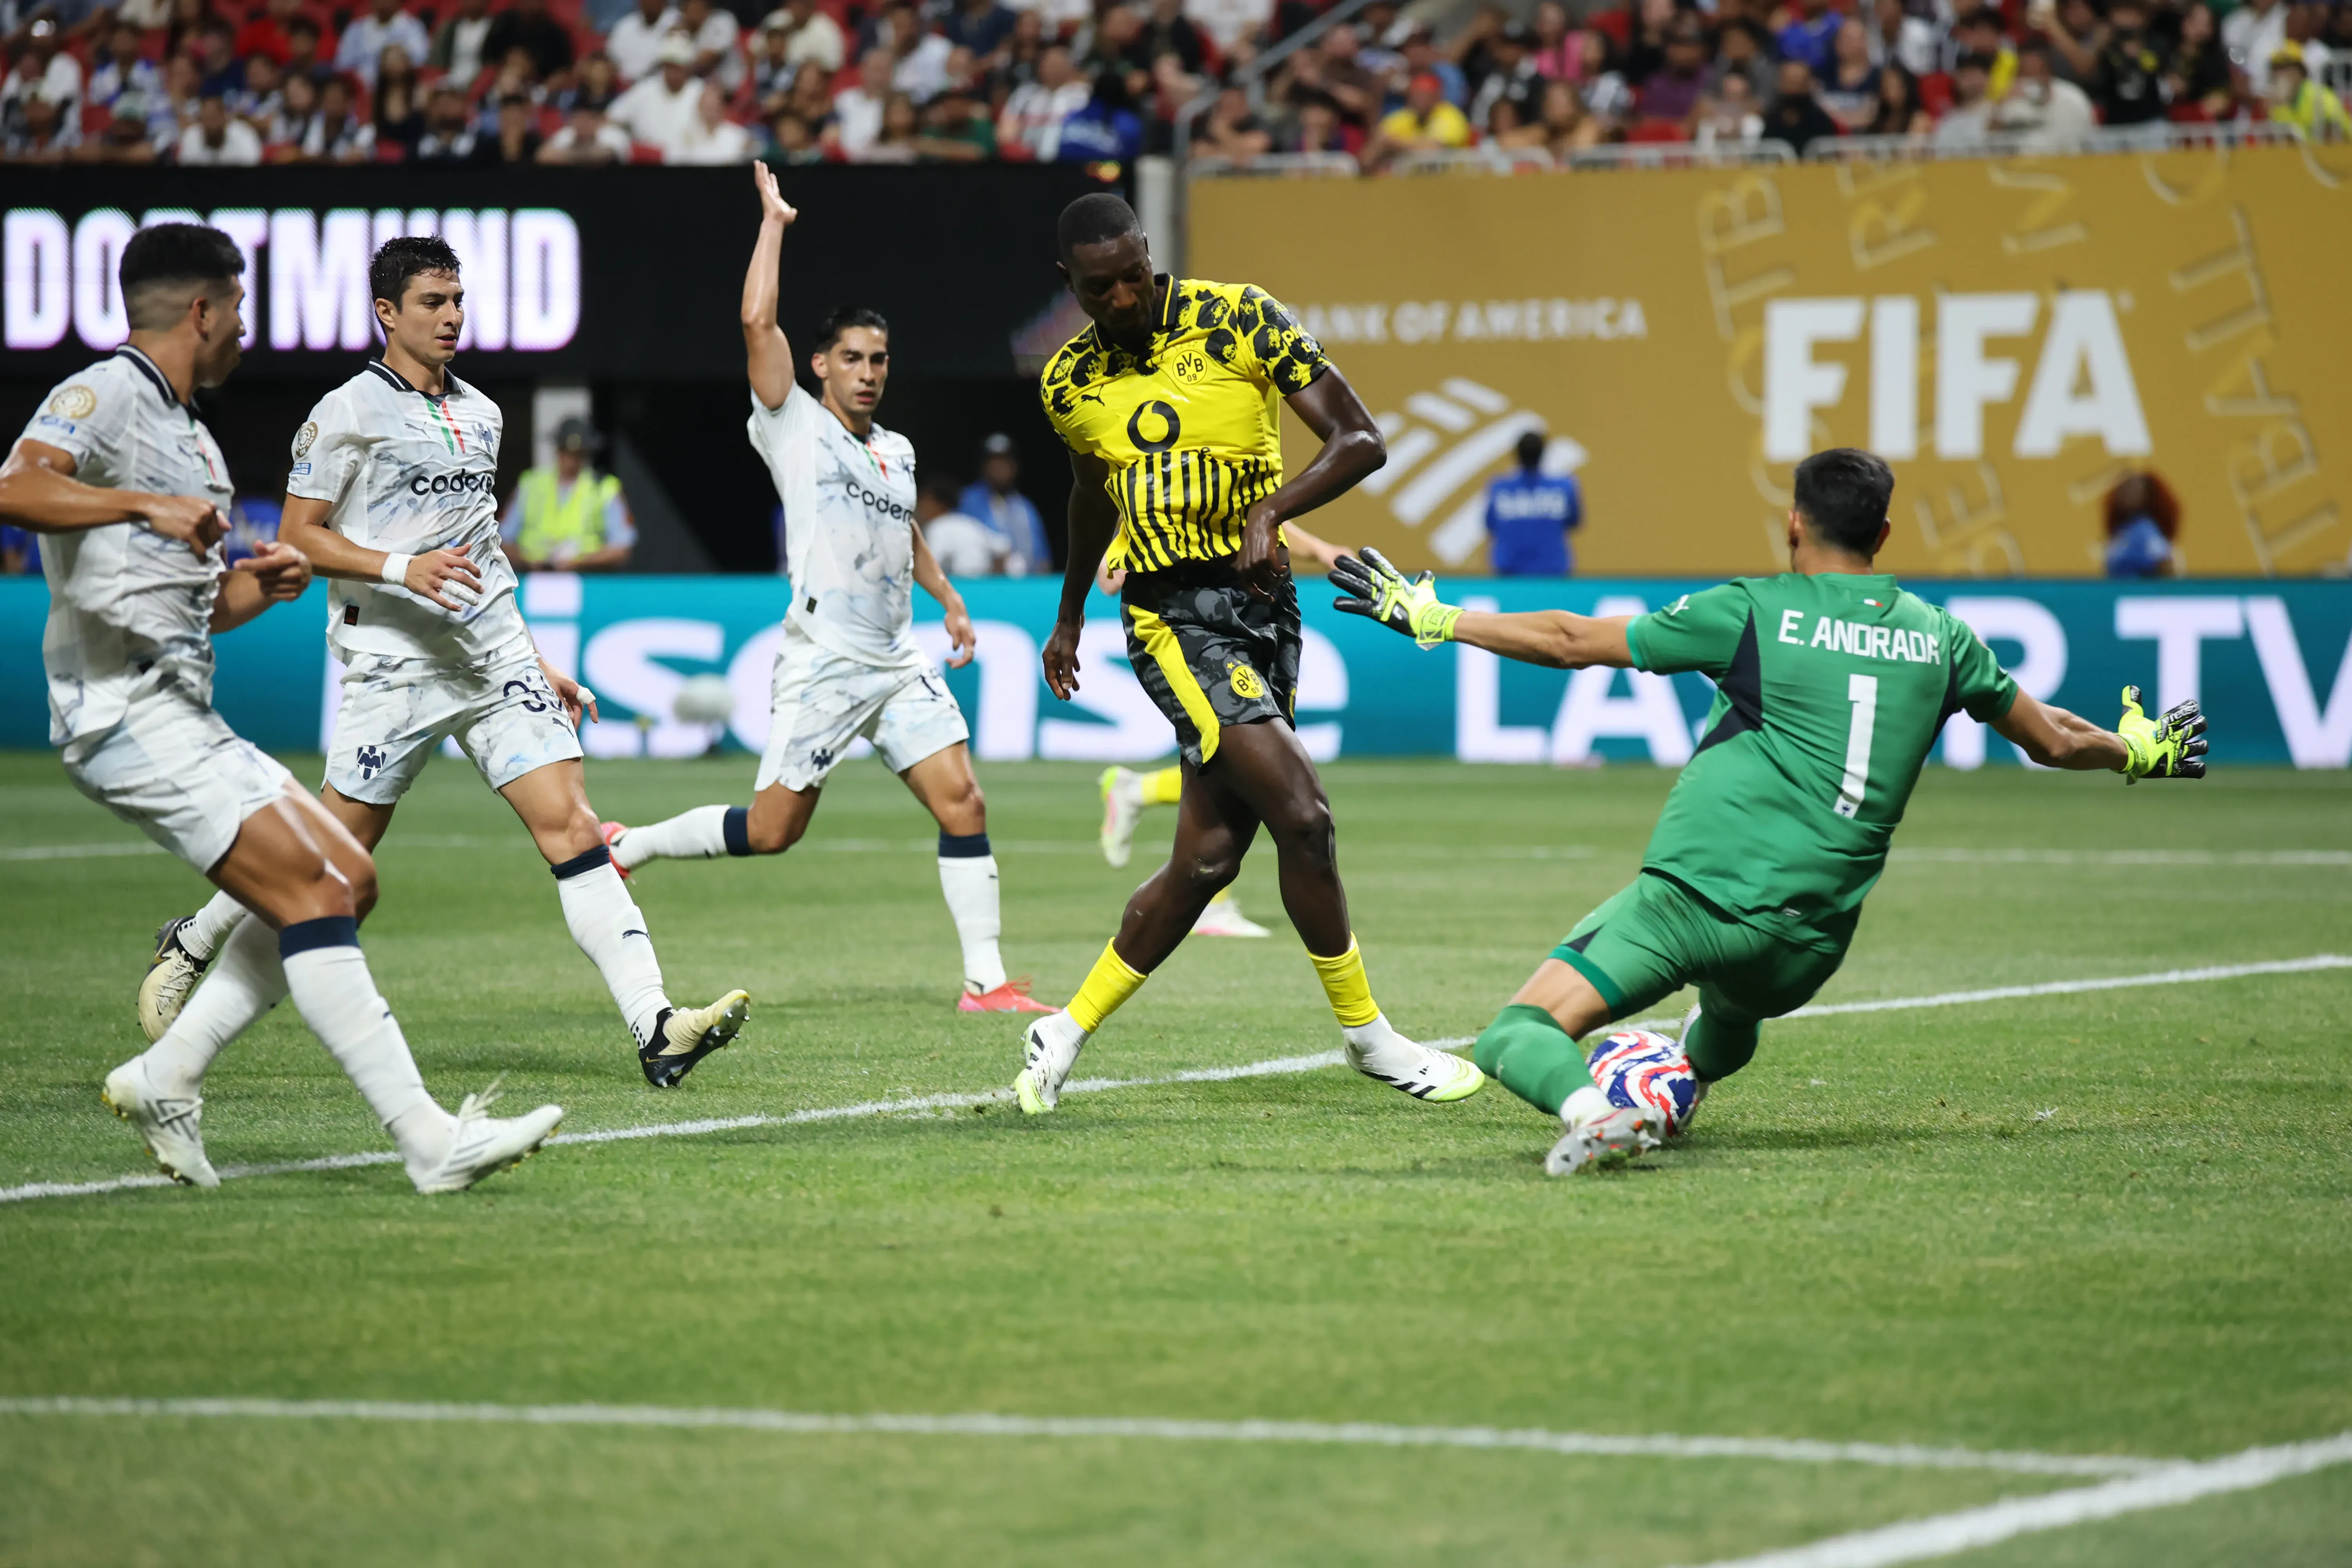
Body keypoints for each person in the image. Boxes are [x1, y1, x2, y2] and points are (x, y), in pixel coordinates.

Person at [1328, 448, 2208, 1176]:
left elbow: (1572, 642)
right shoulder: (1944, 639)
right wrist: (2141, 750)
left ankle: (1596, 1112)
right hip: (1808, 945)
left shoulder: (1757, 611)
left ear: (1795, 522)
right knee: (1731, 1011)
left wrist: (1435, 615)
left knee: (1515, 1032)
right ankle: (1690, 1081)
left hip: (1692, 904)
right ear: (1885, 535)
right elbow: (2053, 737)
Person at [0, 223, 562, 1195]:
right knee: (313, 884)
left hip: (184, 705)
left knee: (348, 877)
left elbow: (198, 611)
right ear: (202, 311)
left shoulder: (193, 440)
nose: (249, 332)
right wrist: (140, 504)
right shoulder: (105, 394)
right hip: (120, 712)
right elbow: (16, 485)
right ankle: (429, 1142)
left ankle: (166, 1076)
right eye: (242, 310)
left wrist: (266, 586)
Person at [140, 236, 750, 1093]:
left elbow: (482, 554)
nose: (453, 315)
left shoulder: (484, 414)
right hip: (394, 664)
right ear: (388, 312)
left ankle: (657, 1026)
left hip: (488, 656)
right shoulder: (346, 410)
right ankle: (195, 941)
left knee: (574, 829)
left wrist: (537, 658)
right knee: (323, 861)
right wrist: (399, 568)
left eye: (458, 299)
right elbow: (302, 533)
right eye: (433, 301)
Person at [1016, 192, 1484, 1116]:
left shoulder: (1240, 316)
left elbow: (1361, 439)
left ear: (1151, 256)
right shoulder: (1066, 383)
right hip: (1171, 617)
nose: (1122, 299)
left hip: (1267, 606)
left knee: (1209, 857)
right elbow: (1088, 497)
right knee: (1303, 816)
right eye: (1099, 287)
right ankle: (1371, 1039)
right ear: (1067, 284)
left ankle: (1061, 1030)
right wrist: (1067, 613)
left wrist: (1272, 510)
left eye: (1134, 277)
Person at [604, 166, 1049, 1018]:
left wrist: (949, 596)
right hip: (826, 658)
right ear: (820, 365)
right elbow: (753, 318)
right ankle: (636, 843)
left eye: (880, 359)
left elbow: (904, 530)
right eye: (852, 358)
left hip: (894, 656)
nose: (869, 372)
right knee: (774, 831)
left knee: (964, 799)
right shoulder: (791, 423)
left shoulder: (900, 450)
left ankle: (985, 982)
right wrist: (773, 224)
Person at [502, 417, 637, 569]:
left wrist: (581, 561)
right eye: (566, 453)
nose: (571, 461)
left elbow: (622, 546)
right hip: (533, 578)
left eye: (578, 455)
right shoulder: (530, 484)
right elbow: (503, 538)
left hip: (586, 580)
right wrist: (530, 561)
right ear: (558, 450)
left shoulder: (604, 487)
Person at [1482, 430, 1581, 576]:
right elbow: (1574, 521)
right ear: (1543, 454)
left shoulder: (1500, 489)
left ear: (1517, 455)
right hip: (1552, 572)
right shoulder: (1563, 488)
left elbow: (1490, 524)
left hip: (1510, 575)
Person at [956, 433, 1047, 576]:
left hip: (1027, 586)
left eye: (1005, 461)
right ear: (984, 466)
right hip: (985, 584)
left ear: (1015, 466)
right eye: (994, 461)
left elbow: (1043, 560)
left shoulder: (1026, 507)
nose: (1000, 467)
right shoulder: (968, 501)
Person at [609, 33, 703, 156]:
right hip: (646, 158)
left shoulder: (700, 92)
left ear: (688, 67)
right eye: (668, 67)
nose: (672, 73)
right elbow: (613, 117)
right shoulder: (646, 88)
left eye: (677, 67)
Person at [2103, 470, 2180, 577]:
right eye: (2124, 488)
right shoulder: (2123, 531)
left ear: (2147, 495)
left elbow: (2165, 564)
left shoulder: (2145, 529)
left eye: (2132, 489)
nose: (2125, 493)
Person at [2268, 42, 2351, 140]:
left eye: (2289, 68)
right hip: (2300, 154)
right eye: (2278, 69)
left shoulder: (2319, 96)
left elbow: (2334, 133)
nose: (2283, 75)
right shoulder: (2278, 104)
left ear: (2302, 72)